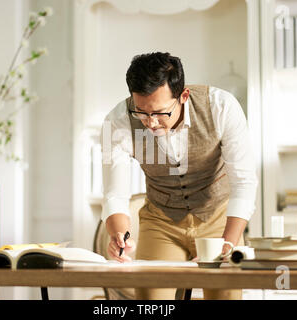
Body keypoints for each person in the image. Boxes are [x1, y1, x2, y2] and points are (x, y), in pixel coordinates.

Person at [100, 52, 257, 300]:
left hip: (216, 217)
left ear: (183, 96)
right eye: (141, 112)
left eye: (160, 113)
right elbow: (115, 194)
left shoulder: (221, 106)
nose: (150, 124)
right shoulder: (118, 121)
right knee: (150, 302)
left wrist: (228, 244)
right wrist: (120, 235)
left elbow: (244, 183)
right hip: (161, 220)